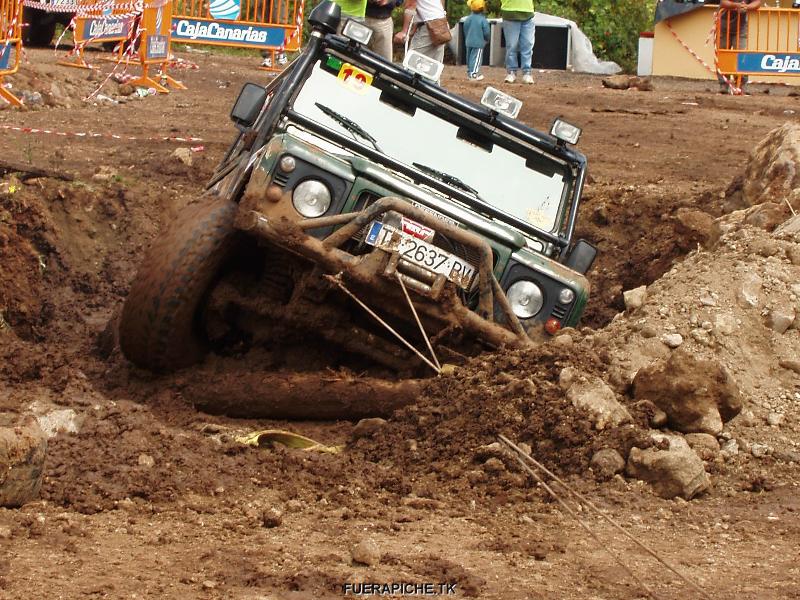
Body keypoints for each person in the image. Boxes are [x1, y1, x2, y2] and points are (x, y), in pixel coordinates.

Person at [716, 0, 761, 94]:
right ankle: (723, 84)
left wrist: (747, 7)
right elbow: (723, 2)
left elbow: (757, 2)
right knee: (723, 55)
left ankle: (741, 85)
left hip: (741, 28)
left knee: (741, 55)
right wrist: (736, 5)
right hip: (723, 26)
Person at [393, 0, 449, 65]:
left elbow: (410, 6)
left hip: (430, 27)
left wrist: (404, 32)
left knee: (412, 64)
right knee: (433, 66)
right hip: (440, 23)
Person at [500, 0, 535, 84]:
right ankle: (511, 72)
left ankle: (527, 72)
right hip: (510, 13)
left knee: (528, 44)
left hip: (528, 13)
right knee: (511, 45)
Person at [463, 0, 490, 81]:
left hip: (468, 41)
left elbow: (465, 29)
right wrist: (486, 39)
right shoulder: (483, 20)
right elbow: (486, 32)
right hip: (478, 43)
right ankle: (474, 74)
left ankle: (469, 73)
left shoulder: (468, 19)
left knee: (469, 58)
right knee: (476, 59)